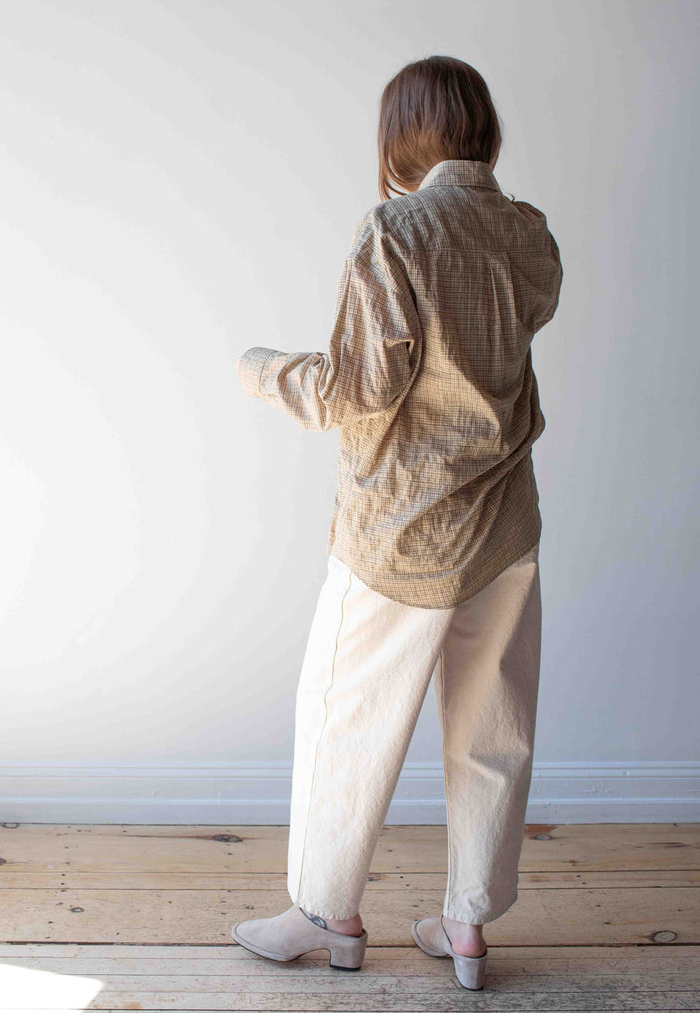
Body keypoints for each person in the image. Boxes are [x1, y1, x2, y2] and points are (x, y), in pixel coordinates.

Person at [230, 55, 563, 991]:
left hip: (401, 534)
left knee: (346, 719)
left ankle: (325, 913)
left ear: (401, 137)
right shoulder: (529, 233)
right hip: (505, 523)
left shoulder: (396, 231)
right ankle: (467, 926)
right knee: (493, 730)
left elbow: (357, 389)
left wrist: (260, 369)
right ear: (485, 131)